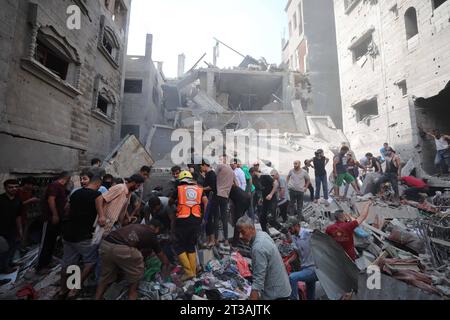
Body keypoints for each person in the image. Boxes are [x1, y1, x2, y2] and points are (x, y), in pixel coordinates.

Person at [95, 222, 171, 300]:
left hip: (105, 245)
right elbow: (163, 258)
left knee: (105, 278)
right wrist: (166, 268)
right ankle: (132, 294)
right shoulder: (151, 234)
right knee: (136, 276)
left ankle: (97, 298)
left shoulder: (137, 226)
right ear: (157, 229)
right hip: (121, 248)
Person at [59, 176, 103, 299]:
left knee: (68, 263)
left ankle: (63, 289)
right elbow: (102, 218)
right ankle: (74, 289)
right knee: (90, 262)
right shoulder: (97, 195)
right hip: (84, 235)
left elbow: (66, 210)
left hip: (68, 233)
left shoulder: (75, 193)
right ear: (98, 184)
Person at [237, 216, 291, 300]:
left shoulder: (258, 248)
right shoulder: (262, 234)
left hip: (276, 294)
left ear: (251, 228)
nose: (240, 236)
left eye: (243, 232)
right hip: (281, 288)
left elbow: (258, 281)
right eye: (239, 233)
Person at [170, 171, 207, 281]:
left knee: (178, 245)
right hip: (196, 220)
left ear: (181, 181)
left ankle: (188, 271)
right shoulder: (199, 189)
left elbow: (170, 202)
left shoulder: (179, 189)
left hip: (183, 220)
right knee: (190, 245)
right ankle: (193, 272)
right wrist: (203, 217)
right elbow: (206, 202)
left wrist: (175, 205)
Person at [37, 172, 71, 273]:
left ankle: (47, 262)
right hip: (50, 218)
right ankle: (40, 266)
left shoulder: (60, 187)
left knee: (51, 242)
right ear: (67, 178)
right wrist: (55, 214)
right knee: (46, 242)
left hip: (57, 219)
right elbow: (51, 200)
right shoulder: (55, 185)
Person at [284, 217, 318, 300]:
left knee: (292, 277)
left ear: (297, 226)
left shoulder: (308, 234)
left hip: (314, 269)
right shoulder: (295, 237)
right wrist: (287, 262)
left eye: (290, 228)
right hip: (305, 268)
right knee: (310, 294)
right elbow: (296, 254)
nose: (289, 230)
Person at [0, 180, 24, 274]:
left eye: (15, 187)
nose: (14, 189)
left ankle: (9, 264)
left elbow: (18, 216)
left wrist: (20, 230)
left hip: (12, 229)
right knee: (3, 250)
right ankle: (4, 268)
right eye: (11, 187)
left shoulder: (18, 200)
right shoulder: (1, 199)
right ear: (5, 188)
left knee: (12, 248)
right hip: (1, 230)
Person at [215, 154, 235, 247]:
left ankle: (216, 239)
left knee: (215, 217)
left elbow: (214, 177)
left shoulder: (219, 167)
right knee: (224, 218)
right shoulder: (231, 171)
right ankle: (226, 239)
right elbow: (235, 184)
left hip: (218, 194)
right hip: (225, 196)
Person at [200, 159, 219, 248]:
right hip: (208, 199)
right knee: (207, 220)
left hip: (211, 200)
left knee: (209, 220)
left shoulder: (211, 174)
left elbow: (211, 187)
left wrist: (201, 189)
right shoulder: (208, 174)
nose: (200, 168)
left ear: (204, 165)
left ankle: (212, 240)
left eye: (201, 166)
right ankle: (208, 240)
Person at [17, 177, 40, 244]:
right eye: (31, 185)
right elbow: (17, 205)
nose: (32, 187)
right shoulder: (18, 191)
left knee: (23, 231)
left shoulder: (29, 191)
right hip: (17, 215)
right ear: (26, 184)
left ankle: (21, 246)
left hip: (24, 214)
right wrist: (30, 200)